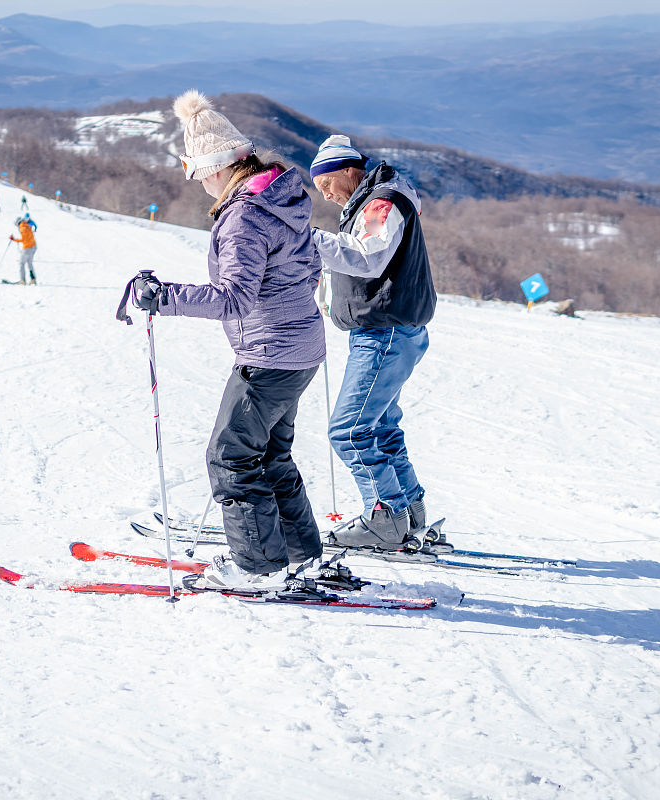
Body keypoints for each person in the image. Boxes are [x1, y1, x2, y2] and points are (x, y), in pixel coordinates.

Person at [126, 90, 326, 590]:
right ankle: (302, 556)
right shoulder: (283, 195)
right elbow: (311, 267)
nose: (198, 186)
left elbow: (232, 299)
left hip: (269, 355)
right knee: (271, 455)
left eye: (196, 175)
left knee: (231, 457)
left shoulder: (244, 217)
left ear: (214, 167)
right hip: (301, 349)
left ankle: (257, 567)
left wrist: (163, 297)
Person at [308, 134, 445, 554]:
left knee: (348, 431)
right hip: (390, 330)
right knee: (381, 428)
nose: (326, 195)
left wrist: (307, 240)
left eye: (327, 184)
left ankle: (385, 517)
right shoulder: (374, 200)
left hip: (384, 333)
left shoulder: (381, 201)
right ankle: (409, 513)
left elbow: (368, 257)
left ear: (349, 170)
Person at [10, 216, 37, 284]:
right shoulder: (27, 226)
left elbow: (24, 239)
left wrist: (14, 239)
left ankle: (22, 280)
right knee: (29, 263)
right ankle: (33, 279)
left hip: (27, 248)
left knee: (21, 263)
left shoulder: (22, 228)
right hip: (33, 246)